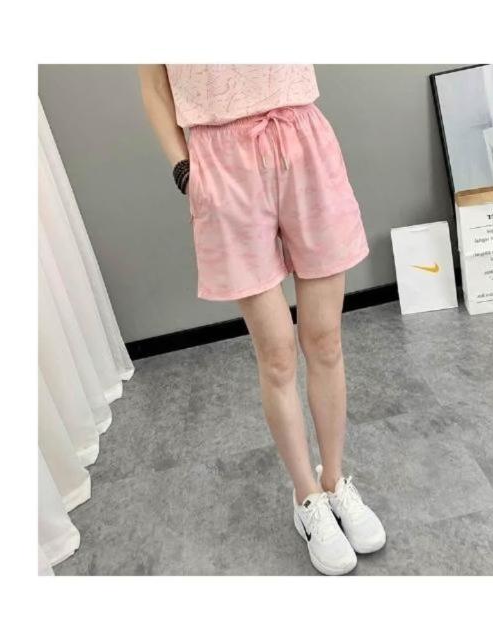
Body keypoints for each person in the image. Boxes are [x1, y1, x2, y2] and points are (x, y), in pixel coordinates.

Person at [138, 64, 385, 575]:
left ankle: (335, 481)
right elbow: (155, 89)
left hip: (303, 141)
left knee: (325, 339)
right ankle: (306, 497)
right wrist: (185, 170)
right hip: (222, 160)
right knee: (276, 354)